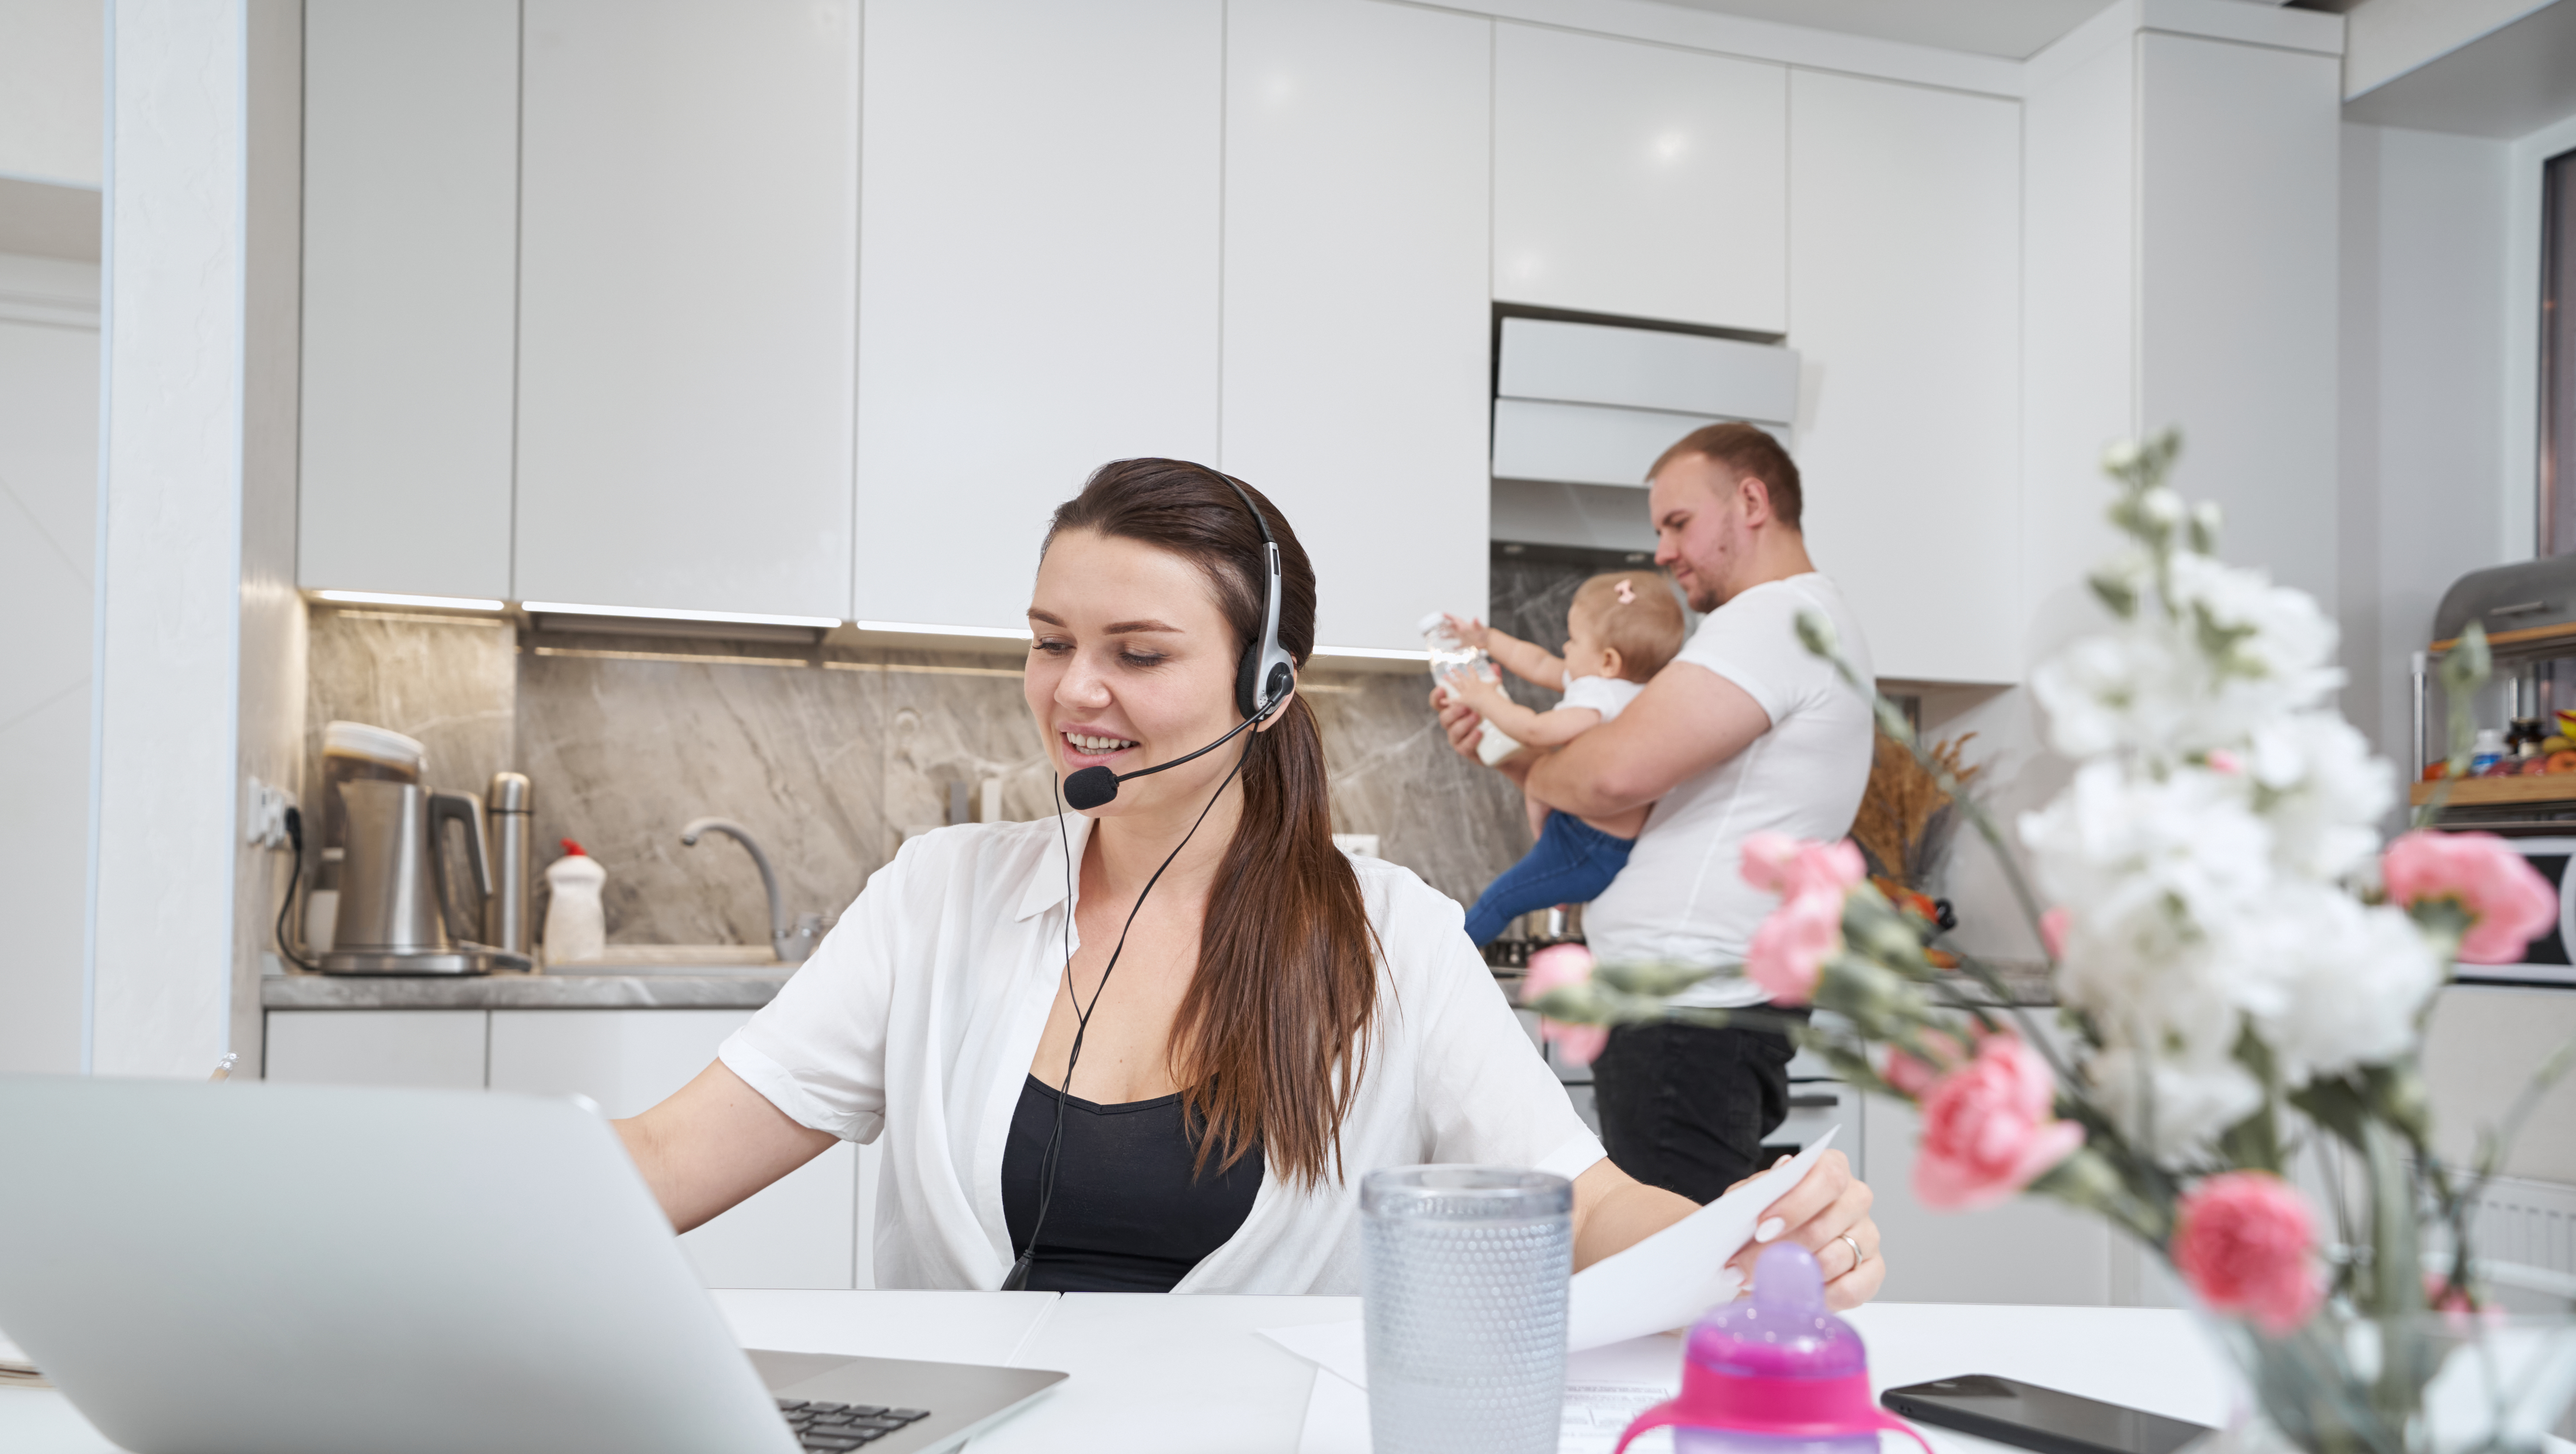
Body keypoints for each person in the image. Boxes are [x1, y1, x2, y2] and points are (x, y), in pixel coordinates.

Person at [615, 456, 1883, 1306]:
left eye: (1138, 652)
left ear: (1267, 686)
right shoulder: (932, 897)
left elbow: (1586, 1205)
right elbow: (671, 1155)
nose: (1073, 691)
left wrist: (1748, 1241)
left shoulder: (1390, 936)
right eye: (1050, 643)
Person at [1437, 424, 1877, 1206]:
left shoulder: (1774, 618)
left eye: (1676, 523)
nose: (1662, 552)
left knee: (1667, 1259)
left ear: (1751, 501)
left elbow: (1609, 779)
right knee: (1680, 1244)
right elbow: (1621, 794)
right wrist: (1507, 755)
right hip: (1694, 1007)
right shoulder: (1793, 621)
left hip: (1686, 1014)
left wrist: (1517, 745)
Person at [1436, 572, 1688, 948]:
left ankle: (1439, 966)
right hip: (1576, 827)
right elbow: (1536, 662)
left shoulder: (1604, 702)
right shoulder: (1603, 683)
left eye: (1574, 639)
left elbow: (1537, 732)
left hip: (1589, 848)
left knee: (1501, 899)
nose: (1565, 648)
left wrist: (1485, 698)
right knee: (1514, 885)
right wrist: (1486, 639)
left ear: (1608, 661)